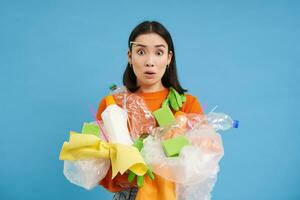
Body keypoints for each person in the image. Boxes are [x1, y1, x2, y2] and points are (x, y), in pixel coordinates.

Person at [96, 21, 204, 200]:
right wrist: (130, 171)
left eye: (159, 52)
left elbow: (201, 164)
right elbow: (100, 168)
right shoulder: (112, 105)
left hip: (173, 194)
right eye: (141, 52)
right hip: (129, 194)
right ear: (130, 57)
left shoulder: (187, 105)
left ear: (169, 58)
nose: (150, 62)